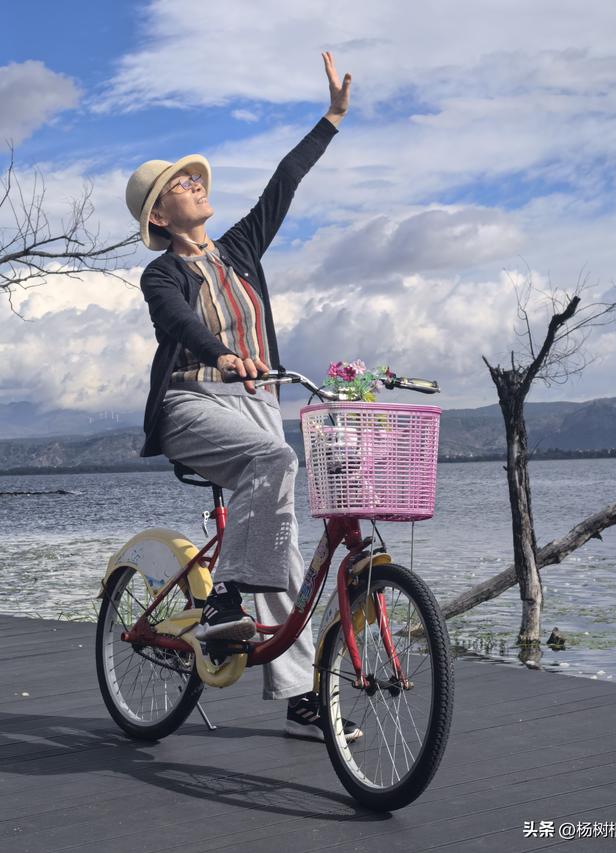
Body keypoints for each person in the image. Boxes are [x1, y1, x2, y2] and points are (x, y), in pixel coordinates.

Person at [125, 53, 359, 741]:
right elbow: (179, 323)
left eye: (195, 176)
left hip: (257, 404)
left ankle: (299, 691)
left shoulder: (240, 250)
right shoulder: (160, 273)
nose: (195, 182)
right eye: (180, 183)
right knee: (274, 466)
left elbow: (282, 183)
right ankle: (224, 594)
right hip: (192, 402)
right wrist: (222, 353)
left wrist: (331, 120)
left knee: (283, 546)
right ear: (160, 214)